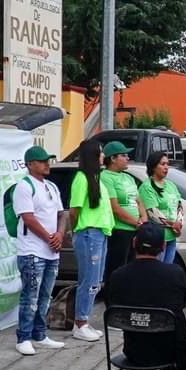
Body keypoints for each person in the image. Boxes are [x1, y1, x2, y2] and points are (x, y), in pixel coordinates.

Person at [105, 222, 186, 370]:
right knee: (184, 346)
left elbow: (111, 308)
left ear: (133, 243)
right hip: (169, 351)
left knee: (174, 342)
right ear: (163, 246)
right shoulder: (175, 274)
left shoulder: (117, 276)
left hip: (134, 350)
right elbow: (180, 307)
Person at [12, 145, 66, 356]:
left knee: (45, 295)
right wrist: (49, 238)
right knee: (30, 296)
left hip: (52, 252)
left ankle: (39, 334)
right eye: (42, 161)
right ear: (30, 164)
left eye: (48, 160)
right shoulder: (24, 187)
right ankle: (23, 336)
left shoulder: (51, 186)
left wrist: (59, 235)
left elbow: (62, 214)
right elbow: (28, 218)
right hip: (32, 251)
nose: (47, 164)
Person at [69, 139, 114, 342]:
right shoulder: (82, 178)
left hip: (101, 233)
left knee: (96, 280)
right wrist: (78, 229)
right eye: (100, 152)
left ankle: (84, 319)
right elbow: (74, 211)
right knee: (88, 280)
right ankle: (80, 323)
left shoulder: (97, 178)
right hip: (89, 233)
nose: (103, 156)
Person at [100, 141, 147, 283]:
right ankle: (113, 300)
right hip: (119, 231)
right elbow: (115, 208)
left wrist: (143, 218)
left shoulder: (128, 177)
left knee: (133, 269)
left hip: (136, 229)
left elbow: (139, 201)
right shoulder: (105, 177)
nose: (128, 158)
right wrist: (137, 223)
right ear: (113, 159)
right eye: (123, 155)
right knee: (117, 269)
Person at [138, 151, 183, 265]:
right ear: (153, 166)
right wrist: (173, 224)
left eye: (167, 164)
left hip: (171, 236)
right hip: (156, 237)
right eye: (162, 164)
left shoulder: (171, 185)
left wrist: (179, 221)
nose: (166, 167)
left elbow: (179, 205)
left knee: (167, 268)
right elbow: (153, 213)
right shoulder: (147, 187)